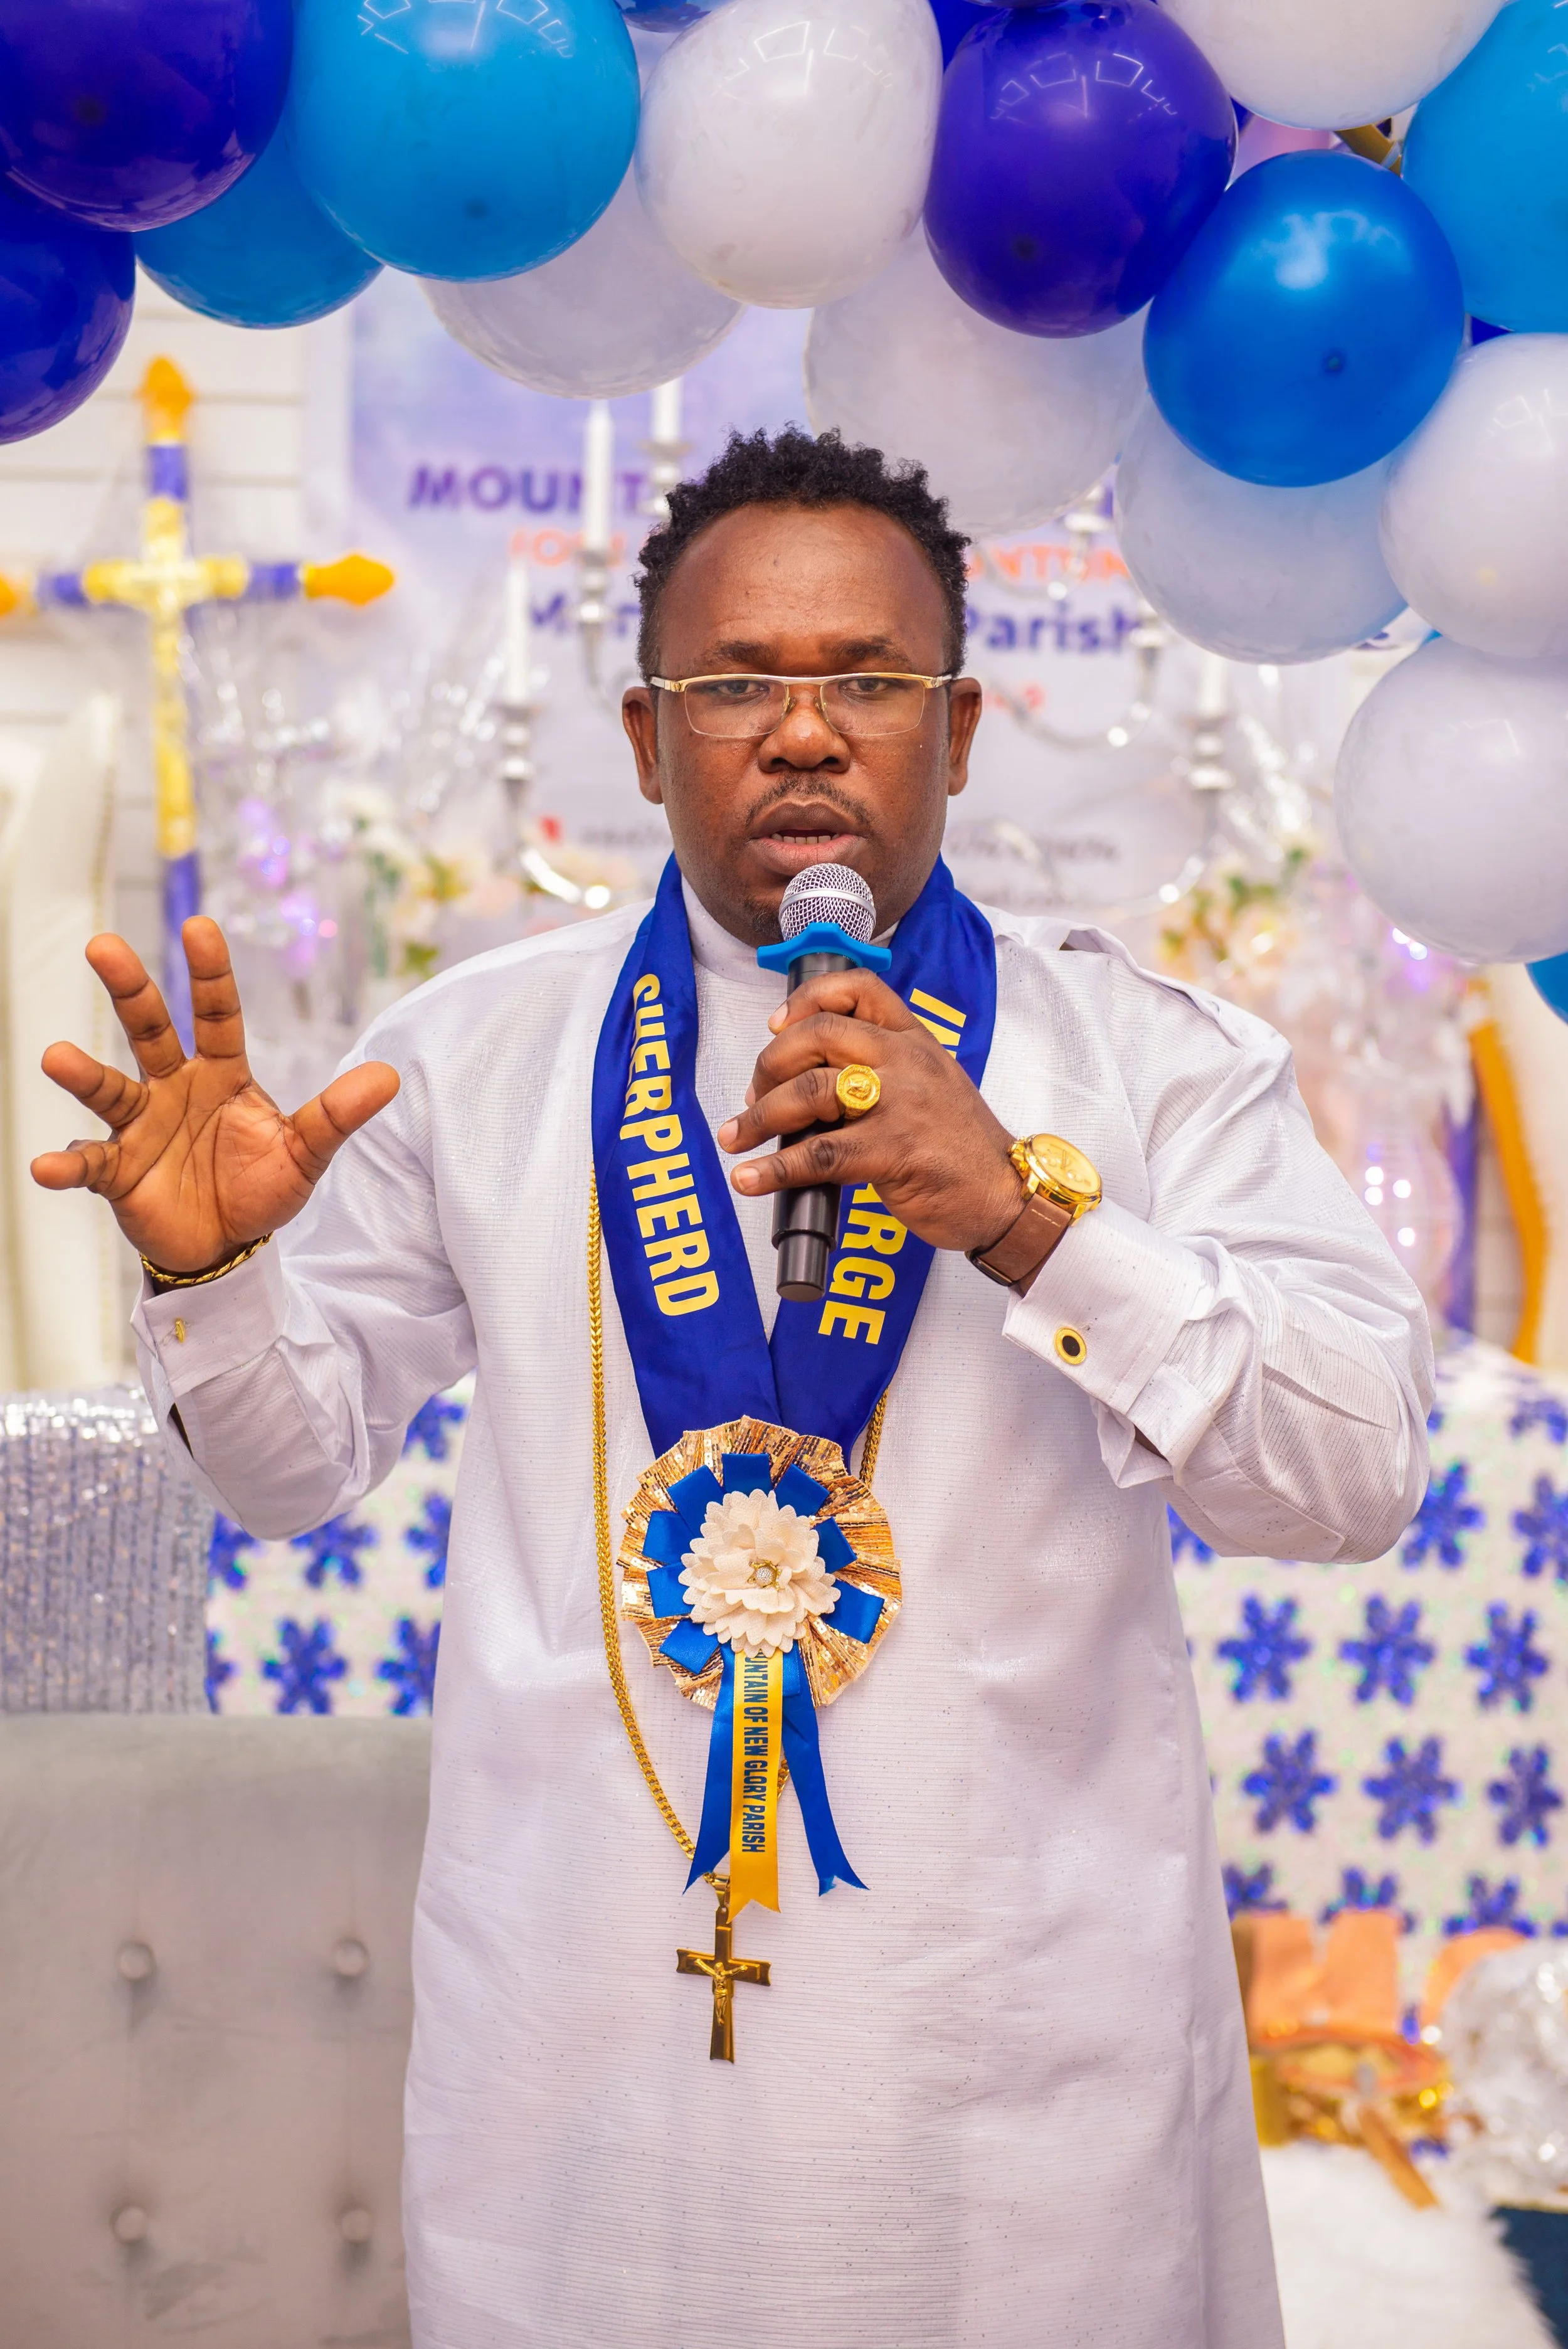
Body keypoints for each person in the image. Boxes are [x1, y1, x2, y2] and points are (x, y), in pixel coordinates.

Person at [32, 428, 1431, 2349]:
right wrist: (208, 1272)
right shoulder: (475, 1058)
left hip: (1016, 2096)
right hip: (582, 2097)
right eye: (733, 685)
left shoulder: (1142, 1062)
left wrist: (1032, 1222)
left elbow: (1349, 1474)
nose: (800, 732)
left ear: (955, 731)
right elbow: (285, 1472)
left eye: (863, 680)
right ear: (639, 735)